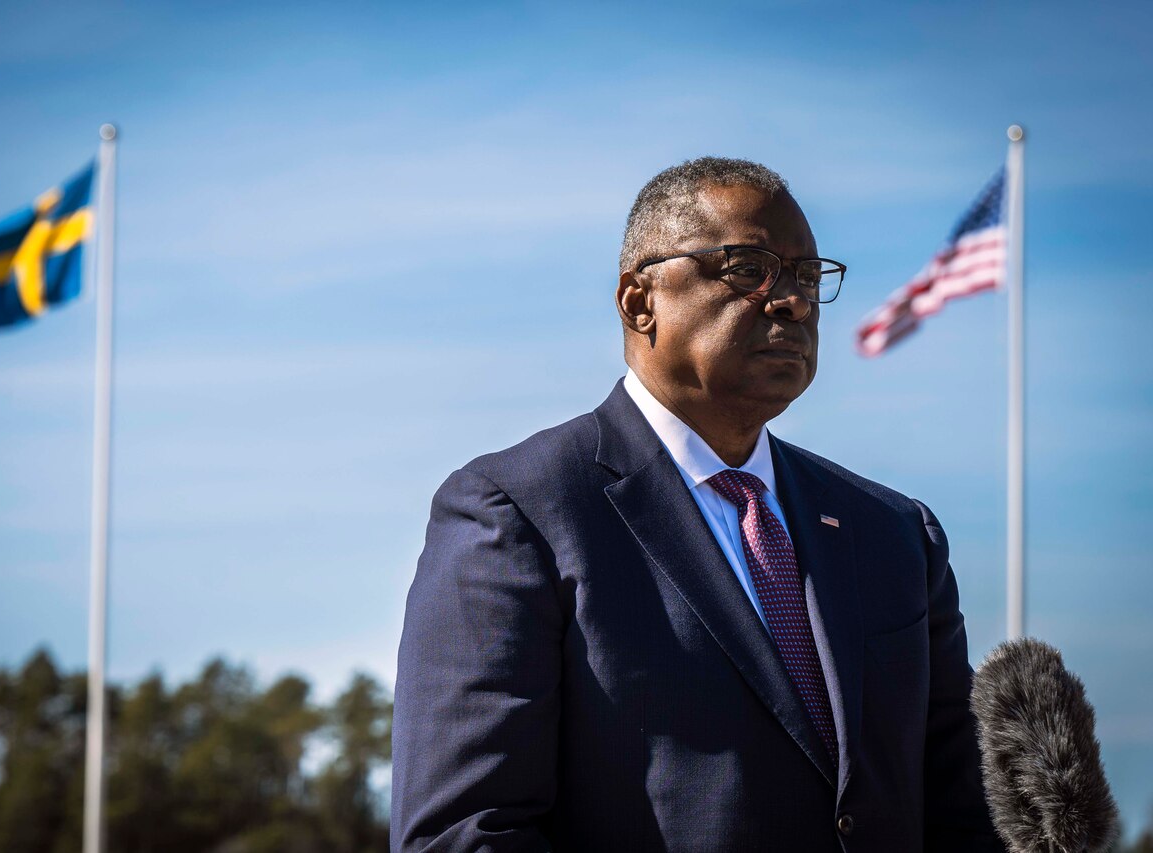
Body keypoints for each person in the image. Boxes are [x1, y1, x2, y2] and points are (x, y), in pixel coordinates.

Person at [391, 157, 1003, 852]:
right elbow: (467, 833)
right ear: (639, 301)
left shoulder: (894, 533)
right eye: (749, 267)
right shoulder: (519, 512)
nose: (793, 300)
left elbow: (963, 813)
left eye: (806, 276)